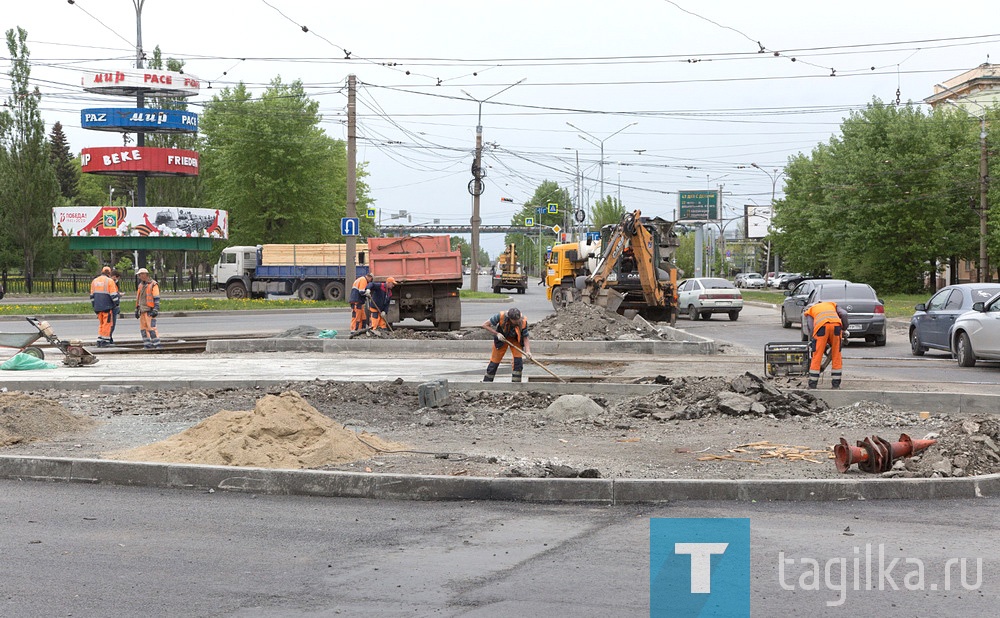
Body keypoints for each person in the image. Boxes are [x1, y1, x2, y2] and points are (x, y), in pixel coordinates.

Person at [803, 299, 850, 389]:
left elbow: (811, 326)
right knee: (836, 355)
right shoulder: (832, 304)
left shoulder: (811, 309)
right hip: (836, 327)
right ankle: (836, 385)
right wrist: (843, 328)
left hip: (821, 328)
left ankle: (812, 384)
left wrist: (814, 339)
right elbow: (844, 314)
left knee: (817, 355)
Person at [481, 307, 530, 383]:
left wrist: (528, 351)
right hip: (502, 338)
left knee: (518, 362)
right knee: (494, 362)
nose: (518, 321)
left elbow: (525, 337)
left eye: (518, 319)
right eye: (515, 321)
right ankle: (487, 383)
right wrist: (497, 334)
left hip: (516, 340)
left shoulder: (523, 321)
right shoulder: (501, 316)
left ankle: (515, 386)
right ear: (510, 318)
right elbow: (485, 325)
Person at [89, 266, 119, 347]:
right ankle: (105, 341)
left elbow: (92, 296)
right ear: (109, 273)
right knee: (107, 324)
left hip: (98, 307)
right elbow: (113, 295)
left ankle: (100, 339)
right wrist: (117, 303)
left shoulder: (94, 281)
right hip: (107, 306)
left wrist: (94, 306)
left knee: (101, 323)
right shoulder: (110, 281)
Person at [134, 268, 162, 349]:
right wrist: (137, 309)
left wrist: (155, 309)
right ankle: (147, 344)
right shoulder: (140, 285)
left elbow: (156, 298)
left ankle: (157, 345)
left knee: (152, 328)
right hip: (143, 310)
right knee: (143, 329)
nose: (140, 276)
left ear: (146, 274)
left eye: (142, 274)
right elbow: (138, 298)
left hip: (150, 310)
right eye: (139, 275)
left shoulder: (153, 284)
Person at [109, 269, 122, 344]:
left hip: (111, 306)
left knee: (109, 324)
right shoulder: (111, 283)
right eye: (117, 278)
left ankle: (108, 338)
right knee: (111, 324)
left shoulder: (111, 283)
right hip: (112, 306)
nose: (117, 280)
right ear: (114, 276)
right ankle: (109, 339)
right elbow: (113, 295)